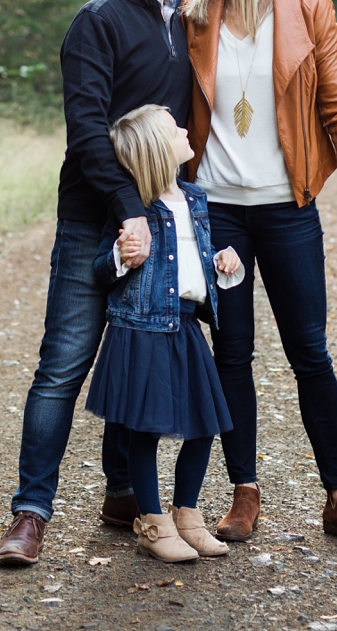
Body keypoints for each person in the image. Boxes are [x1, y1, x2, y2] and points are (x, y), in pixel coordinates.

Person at [0, 0, 200, 567]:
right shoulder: (97, 22)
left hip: (161, 223)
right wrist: (127, 210)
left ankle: (122, 495)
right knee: (64, 365)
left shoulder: (185, 19)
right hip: (95, 219)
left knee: (137, 358)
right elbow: (87, 133)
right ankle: (30, 514)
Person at [183, 0, 337, 547]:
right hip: (218, 212)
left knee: (310, 351)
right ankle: (243, 491)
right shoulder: (192, 15)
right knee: (231, 352)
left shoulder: (308, 7)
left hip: (288, 209)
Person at [86, 105, 244, 562]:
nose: (185, 131)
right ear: (158, 151)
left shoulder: (194, 197)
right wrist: (121, 254)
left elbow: (194, 259)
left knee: (205, 424)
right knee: (147, 430)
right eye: (175, 130)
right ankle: (153, 525)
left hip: (185, 326)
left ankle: (187, 517)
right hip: (142, 330)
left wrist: (222, 262)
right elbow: (101, 268)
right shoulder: (134, 209)